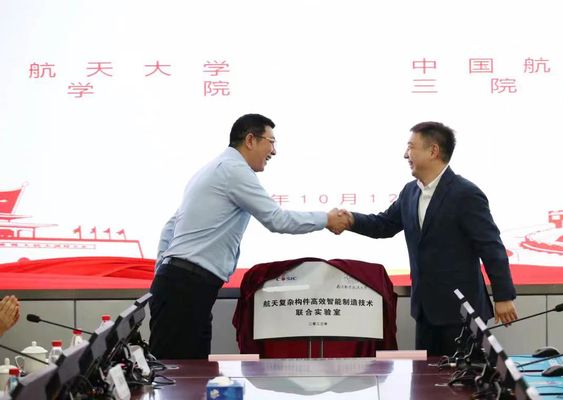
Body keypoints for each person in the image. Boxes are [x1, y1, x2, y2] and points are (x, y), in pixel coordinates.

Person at [149, 113, 348, 359]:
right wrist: (327, 219)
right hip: (185, 288)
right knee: (175, 373)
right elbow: (277, 219)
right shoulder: (234, 171)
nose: (274, 151)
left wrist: (162, 274)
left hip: (182, 285)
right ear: (251, 140)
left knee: (190, 371)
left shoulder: (213, 169)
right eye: (271, 142)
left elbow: (170, 228)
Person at [335, 121, 518, 356]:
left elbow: (491, 247)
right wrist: (350, 220)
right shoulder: (410, 192)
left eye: (411, 147)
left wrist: (503, 296)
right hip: (425, 311)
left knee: (464, 377)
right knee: (426, 377)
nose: (405, 155)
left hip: (461, 313)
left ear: (433, 151)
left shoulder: (465, 193)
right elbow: (384, 225)